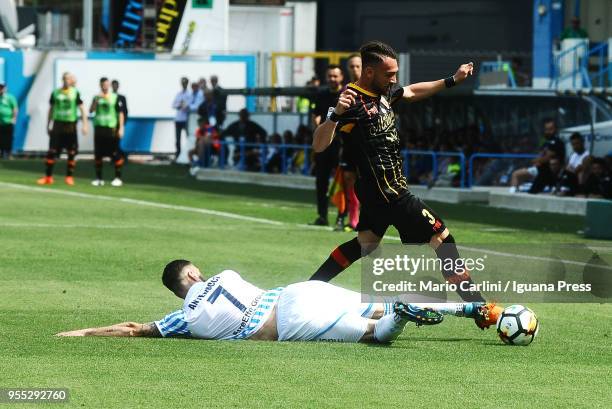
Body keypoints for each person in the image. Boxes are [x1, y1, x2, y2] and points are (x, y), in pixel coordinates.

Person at [308, 41, 487, 305]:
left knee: (365, 243)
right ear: (369, 72)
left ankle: (309, 287)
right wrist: (335, 115)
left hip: (374, 192)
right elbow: (319, 145)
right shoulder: (351, 101)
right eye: (389, 74)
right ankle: (478, 305)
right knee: (442, 238)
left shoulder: (385, 92)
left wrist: (453, 79)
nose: (394, 79)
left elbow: (413, 91)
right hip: (391, 193)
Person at [56, 260, 501, 342]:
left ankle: (402, 318)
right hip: (296, 291)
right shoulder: (227, 272)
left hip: (288, 323)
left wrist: (78, 331)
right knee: (377, 302)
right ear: (193, 274)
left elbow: (134, 329)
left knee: (374, 333)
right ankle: (474, 308)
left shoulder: (183, 317)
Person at [37, 72, 89, 186]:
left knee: (71, 152)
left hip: (70, 126)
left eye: (68, 79)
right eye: (65, 79)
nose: (66, 81)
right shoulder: (55, 93)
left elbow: (82, 108)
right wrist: (48, 124)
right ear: (62, 79)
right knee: (52, 152)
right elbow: (51, 109)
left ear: (71, 81)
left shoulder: (75, 92)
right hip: (57, 125)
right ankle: (48, 177)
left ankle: (69, 177)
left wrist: (85, 124)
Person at [310, 64, 344, 226]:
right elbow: (316, 115)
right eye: (330, 76)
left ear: (341, 77)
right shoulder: (321, 94)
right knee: (321, 181)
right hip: (324, 145)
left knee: (342, 182)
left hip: (340, 145)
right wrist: (318, 131)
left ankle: (341, 216)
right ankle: (322, 216)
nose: (332, 79)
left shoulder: (346, 94)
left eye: (335, 76)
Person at [336, 54, 363, 231]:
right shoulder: (346, 91)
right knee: (349, 180)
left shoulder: (373, 88)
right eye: (351, 66)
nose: (354, 69)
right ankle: (353, 218)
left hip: (368, 146)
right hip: (349, 144)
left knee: (368, 183)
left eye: (357, 66)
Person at [509, 119, 565, 193]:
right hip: (539, 168)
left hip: (549, 172)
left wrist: (537, 160)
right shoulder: (544, 142)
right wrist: (537, 161)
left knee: (533, 192)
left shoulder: (557, 142)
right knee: (516, 174)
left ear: (556, 129)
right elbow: (541, 154)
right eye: (546, 129)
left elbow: (547, 158)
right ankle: (513, 194)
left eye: (551, 129)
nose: (548, 131)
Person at [90, 77, 125, 187]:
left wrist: (121, 128)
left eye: (106, 84)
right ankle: (99, 179)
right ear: (100, 85)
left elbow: (120, 113)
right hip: (99, 128)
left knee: (114, 153)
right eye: (103, 85)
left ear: (109, 85)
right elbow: (91, 110)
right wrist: (96, 101)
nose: (104, 86)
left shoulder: (115, 97)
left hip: (111, 129)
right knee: (98, 154)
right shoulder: (96, 97)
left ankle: (118, 178)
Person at [172, 77, 191, 162]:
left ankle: (187, 154)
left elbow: (188, 105)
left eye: (185, 83)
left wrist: (182, 105)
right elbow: (173, 104)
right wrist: (179, 105)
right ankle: (178, 154)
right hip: (178, 119)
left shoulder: (189, 94)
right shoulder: (178, 94)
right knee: (177, 139)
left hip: (186, 119)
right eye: (182, 83)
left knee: (188, 137)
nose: (184, 84)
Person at [0, 82, 18, 159]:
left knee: (9, 138)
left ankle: (9, 153)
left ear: (5, 88)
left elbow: (15, 108)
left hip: (8, 122)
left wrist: (13, 119)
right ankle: (2, 153)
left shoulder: (10, 97)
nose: (1, 89)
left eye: (2, 87)